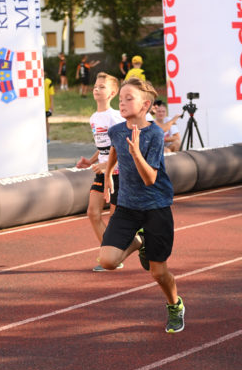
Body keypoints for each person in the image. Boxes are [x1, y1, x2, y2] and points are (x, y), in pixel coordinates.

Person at [98, 77, 185, 333]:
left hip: (156, 207)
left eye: (129, 98)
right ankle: (138, 242)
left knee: (158, 274)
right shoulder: (116, 130)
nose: (122, 103)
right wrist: (107, 175)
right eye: (121, 98)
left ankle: (175, 305)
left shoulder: (155, 134)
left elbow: (150, 178)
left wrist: (136, 153)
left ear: (145, 105)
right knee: (108, 261)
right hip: (127, 206)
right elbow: (115, 148)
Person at [76, 72, 126, 272]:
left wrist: (108, 166)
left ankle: (115, 255)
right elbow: (104, 147)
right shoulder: (93, 118)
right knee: (92, 213)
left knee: (115, 220)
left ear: (113, 92)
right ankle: (110, 256)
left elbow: (123, 147)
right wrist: (91, 160)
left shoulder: (115, 117)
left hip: (118, 173)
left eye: (102, 87)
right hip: (101, 173)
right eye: (95, 86)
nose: (97, 89)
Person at [44, 71, 55, 142]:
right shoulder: (35, 81)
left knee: (46, 121)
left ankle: (47, 136)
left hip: (46, 105)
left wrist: (51, 105)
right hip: (38, 107)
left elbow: (51, 94)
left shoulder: (48, 82)